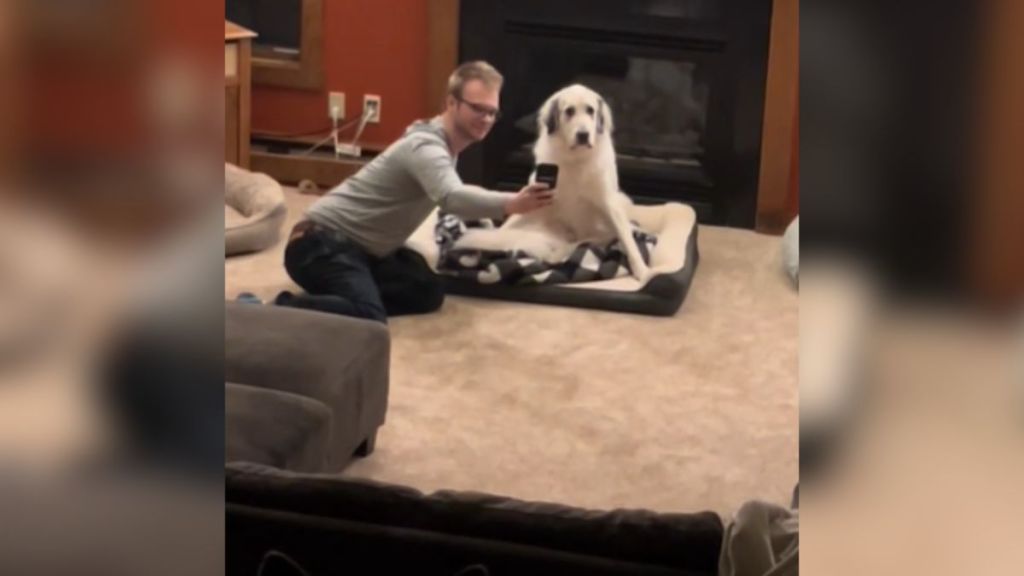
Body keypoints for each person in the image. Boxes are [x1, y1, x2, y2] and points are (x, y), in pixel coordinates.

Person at [271, 61, 552, 322]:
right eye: (478, 109)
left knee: (427, 291)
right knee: (370, 316)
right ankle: (278, 309)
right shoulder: (425, 148)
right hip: (318, 245)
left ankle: (343, 296)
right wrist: (513, 203)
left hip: (364, 249)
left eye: (492, 112)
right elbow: (451, 198)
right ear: (451, 103)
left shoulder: (442, 144)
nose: (487, 119)